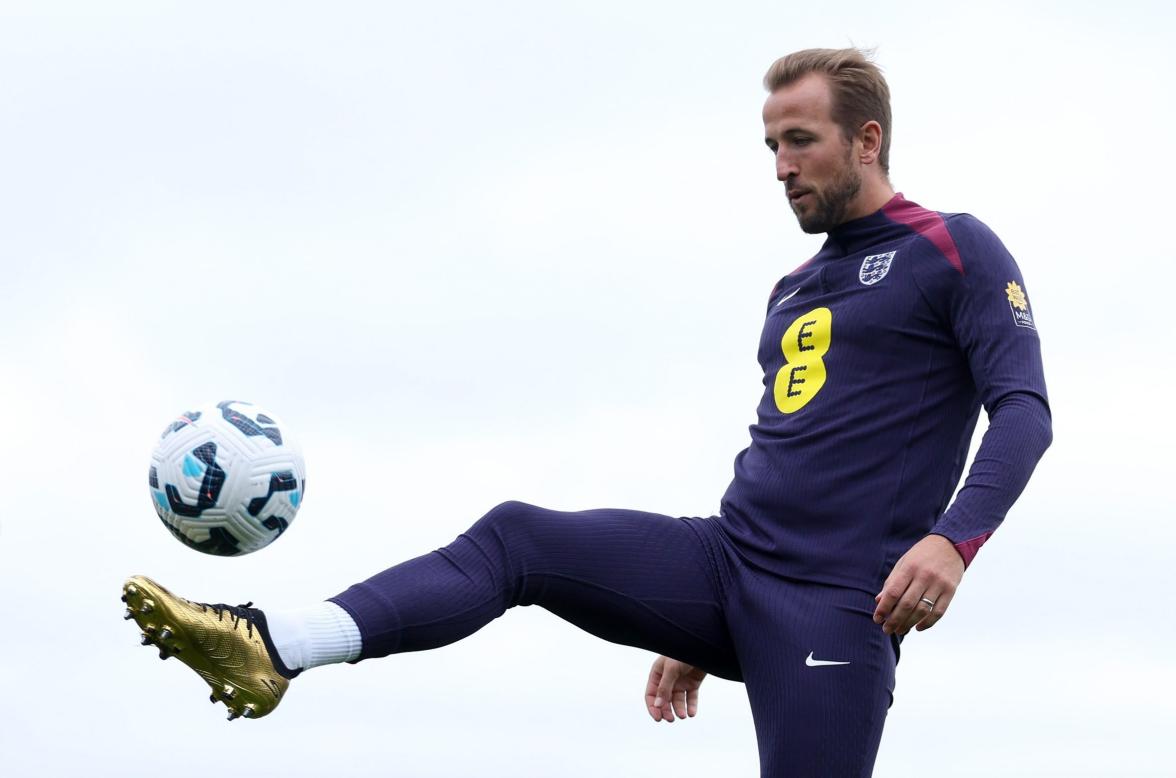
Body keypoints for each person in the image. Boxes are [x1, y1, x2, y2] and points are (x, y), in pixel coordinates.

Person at [122, 47, 1051, 776]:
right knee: (519, 537)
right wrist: (697, 626)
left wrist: (952, 541)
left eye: (799, 140)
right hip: (728, 562)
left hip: (836, 607)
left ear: (868, 140)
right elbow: (795, 446)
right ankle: (273, 645)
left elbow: (1024, 413)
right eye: (769, 144)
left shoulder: (953, 248)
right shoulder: (793, 288)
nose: (779, 166)